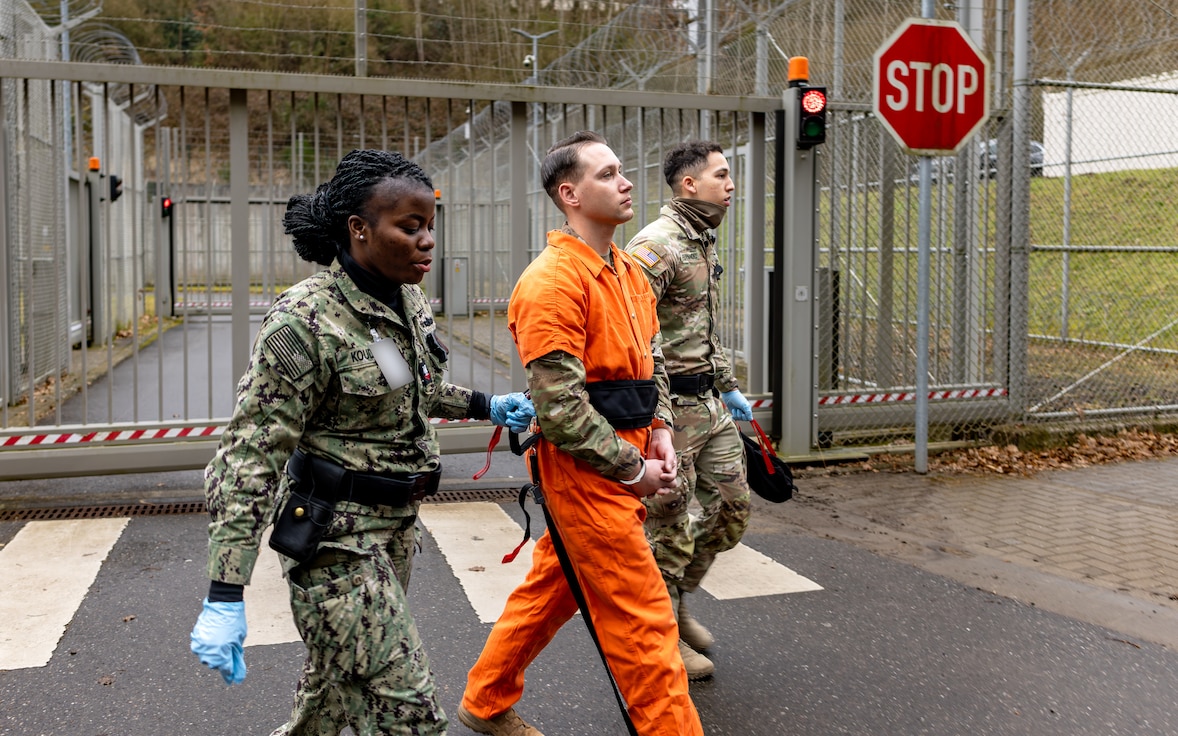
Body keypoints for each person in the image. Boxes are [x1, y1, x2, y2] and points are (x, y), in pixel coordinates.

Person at [188, 149, 534, 735]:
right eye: (410, 226)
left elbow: (413, 386)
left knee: (332, 692)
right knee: (410, 715)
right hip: (335, 544)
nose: (428, 241)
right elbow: (249, 456)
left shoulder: (406, 298)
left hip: (394, 528)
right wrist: (225, 590)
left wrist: (484, 406)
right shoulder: (305, 320)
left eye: (430, 226)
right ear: (359, 229)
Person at [457, 132, 705, 736]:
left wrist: (663, 430)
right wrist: (632, 467)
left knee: (556, 584)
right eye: (608, 173)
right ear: (569, 194)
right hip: (586, 471)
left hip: (627, 456)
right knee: (644, 619)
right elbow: (562, 409)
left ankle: (484, 700)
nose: (625, 183)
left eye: (623, 171)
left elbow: (654, 358)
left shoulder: (626, 271)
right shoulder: (551, 284)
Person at [624, 140, 753, 680]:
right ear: (689, 185)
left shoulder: (702, 240)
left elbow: (701, 325)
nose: (731, 184)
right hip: (670, 409)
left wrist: (726, 386)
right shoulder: (656, 246)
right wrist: (654, 417)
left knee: (730, 510)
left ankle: (678, 604)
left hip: (707, 401)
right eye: (721, 175)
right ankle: (663, 636)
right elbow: (635, 335)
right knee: (668, 526)